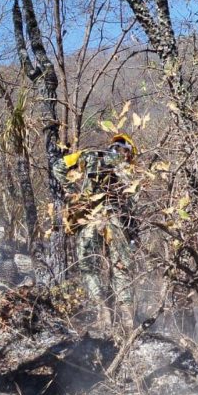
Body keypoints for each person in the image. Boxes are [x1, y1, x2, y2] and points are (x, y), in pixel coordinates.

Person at [52, 134, 138, 337]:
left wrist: (74, 194)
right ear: (126, 150)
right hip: (115, 220)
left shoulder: (89, 155)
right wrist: (134, 232)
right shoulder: (127, 169)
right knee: (121, 268)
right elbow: (133, 203)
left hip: (89, 219)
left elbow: (57, 166)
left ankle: (103, 313)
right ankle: (127, 319)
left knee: (88, 266)